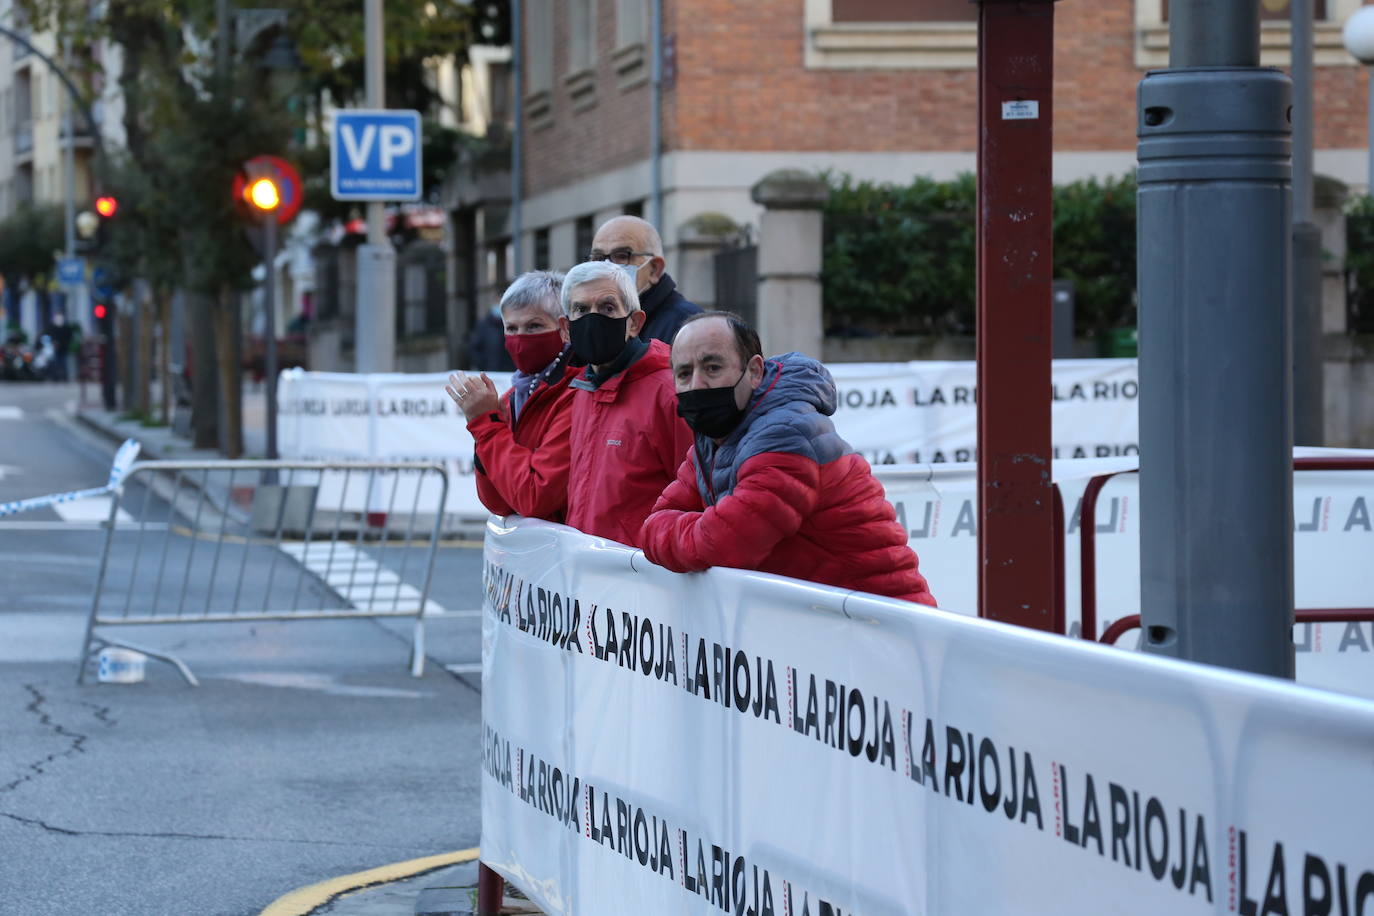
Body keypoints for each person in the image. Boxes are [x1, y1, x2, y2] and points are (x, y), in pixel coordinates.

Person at [639, 312, 936, 606]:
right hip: (825, 625)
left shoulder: (787, 435)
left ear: (754, 371)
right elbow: (654, 524)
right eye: (684, 374)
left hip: (880, 627)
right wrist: (700, 525)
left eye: (713, 368)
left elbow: (726, 543)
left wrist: (691, 527)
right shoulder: (713, 438)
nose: (697, 385)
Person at [559, 259, 695, 547]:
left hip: (644, 576)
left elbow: (696, 495)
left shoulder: (669, 393)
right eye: (581, 310)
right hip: (585, 576)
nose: (592, 319)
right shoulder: (581, 390)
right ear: (566, 329)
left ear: (634, 323)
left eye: (607, 308)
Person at [446, 271, 578, 522]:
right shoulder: (510, 399)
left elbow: (534, 497)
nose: (520, 338)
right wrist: (486, 424)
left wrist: (485, 424)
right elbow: (498, 501)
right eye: (512, 328)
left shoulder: (575, 392)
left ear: (564, 328)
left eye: (535, 326)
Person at [589, 215, 701, 346]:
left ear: (654, 269)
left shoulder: (687, 327)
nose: (607, 266)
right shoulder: (591, 318)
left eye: (622, 256)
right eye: (598, 258)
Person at [466, 303, 517, 372]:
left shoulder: (512, 324)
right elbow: (474, 348)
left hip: (508, 372)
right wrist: (482, 364)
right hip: (489, 371)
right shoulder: (483, 325)